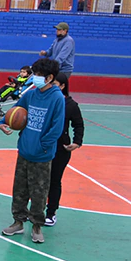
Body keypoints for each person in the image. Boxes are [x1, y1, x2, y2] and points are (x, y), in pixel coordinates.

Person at [0, 58, 66, 244]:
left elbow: (57, 128)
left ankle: (37, 226)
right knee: (19, 190)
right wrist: (3, 122)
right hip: (24, 151)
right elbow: (15, 111)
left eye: (39, 75)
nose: (35, 77)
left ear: (50, 78)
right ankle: (18, 222)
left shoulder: (57, 98)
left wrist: (43, 146)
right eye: (34, 73)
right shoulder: (30, 95)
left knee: (39, 192)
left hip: (42, 155)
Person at [44, 72, 85, 227]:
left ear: (62, 86)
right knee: (38, 180)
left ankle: (51, 213)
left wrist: (77, 142)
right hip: (43, 146)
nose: (50, 86)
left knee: (54, 180)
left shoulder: (71, 105)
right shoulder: (44, 101)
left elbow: (78, 125)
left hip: (60, 148)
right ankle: (35, 210)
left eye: (54, 84)